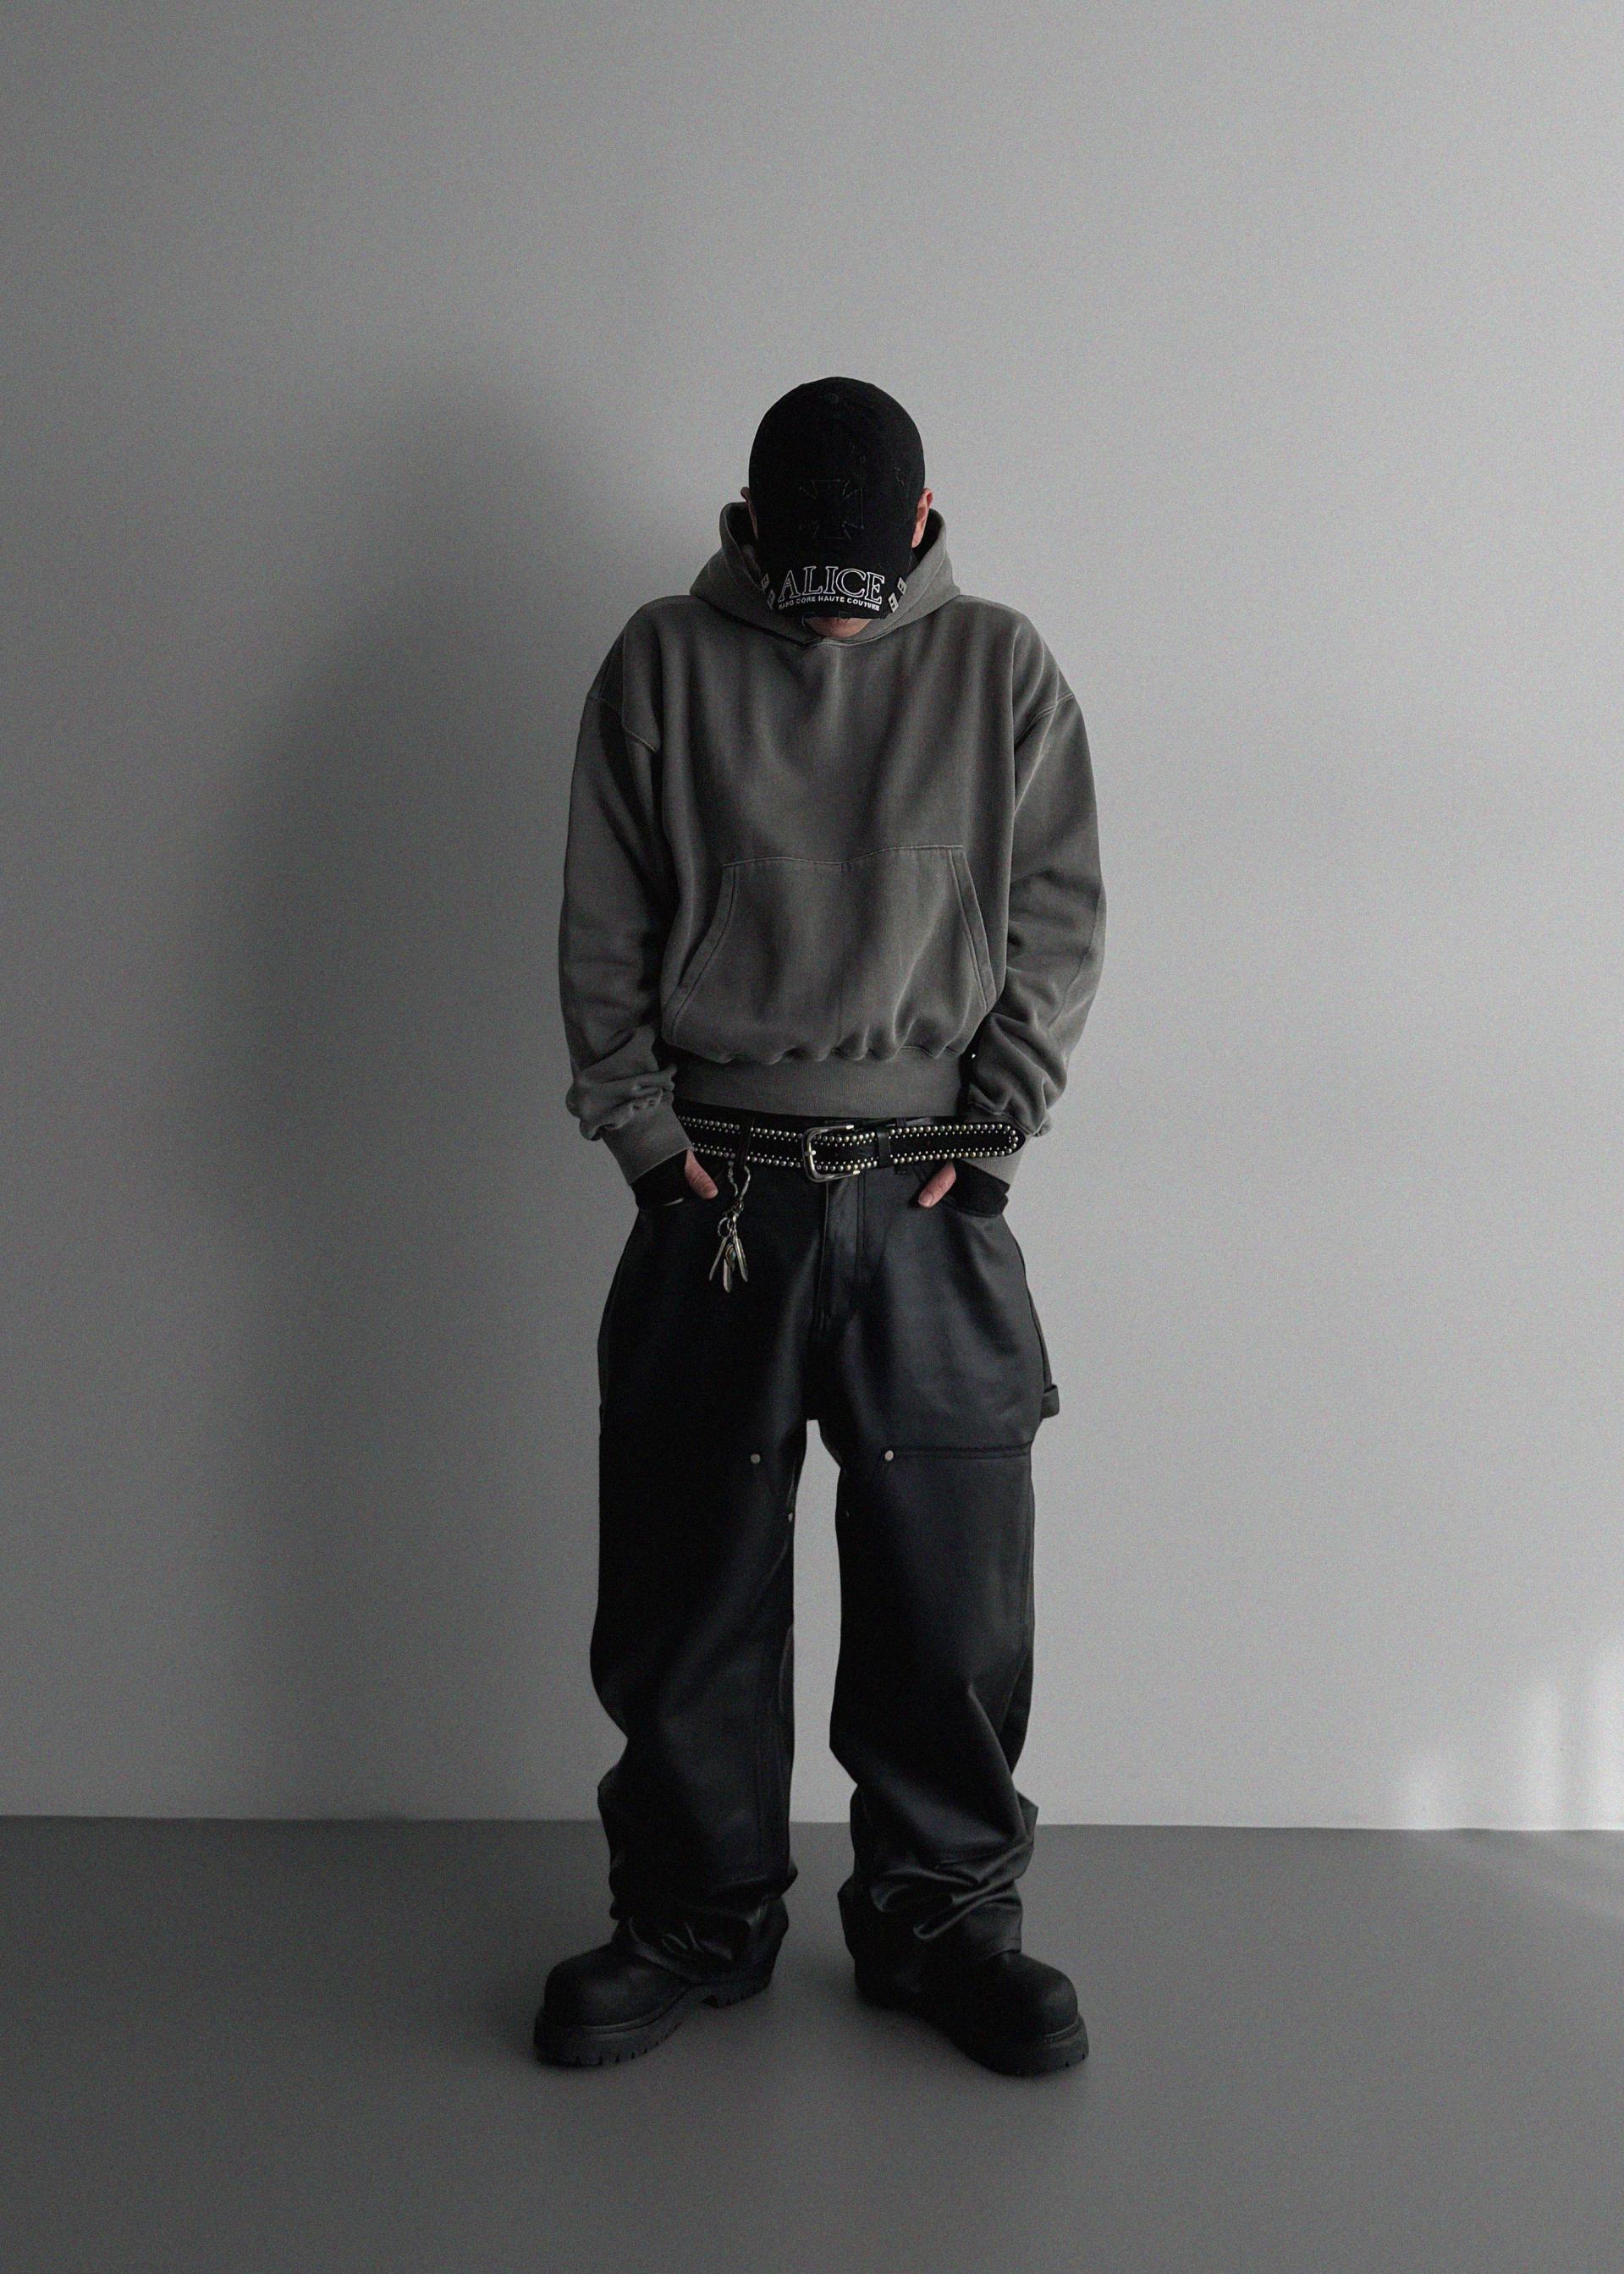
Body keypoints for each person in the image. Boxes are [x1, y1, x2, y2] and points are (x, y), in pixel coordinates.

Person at [538, 376, 1106, 2077]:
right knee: (687, 1591)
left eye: (863, 571)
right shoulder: (662, 659)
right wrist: (647, 1145)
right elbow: (603, 918)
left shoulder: (1001, 666)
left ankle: (942, 1923)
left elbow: (1059, 915)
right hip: (716, 1193)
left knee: (952, 1598)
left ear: (922, 528)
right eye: (804, 574)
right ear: (747, 528)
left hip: (930, 1195)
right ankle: (691, 1919)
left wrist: (994, 1139)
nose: (835, 611)